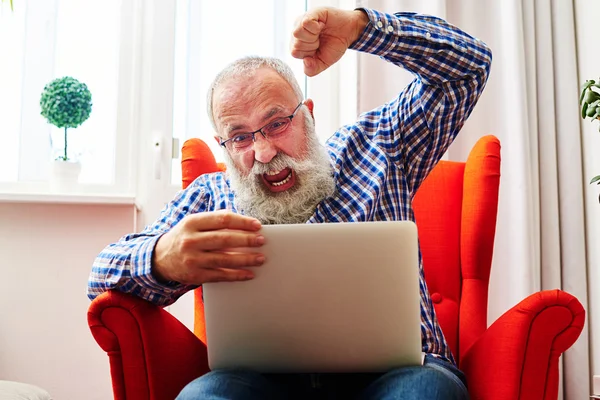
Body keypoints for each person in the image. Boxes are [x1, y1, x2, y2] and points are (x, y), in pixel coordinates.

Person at [88, 5, 491, 400]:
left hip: (399, 374)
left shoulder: (379, 145)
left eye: (277, 123)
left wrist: (362, 28)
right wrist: (162, 256)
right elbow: (100, 277)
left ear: (308, 115)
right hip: (260, 383)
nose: (264, 153)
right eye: (241, 137)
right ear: (223, 146)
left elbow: (469, 67)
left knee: (425, 391)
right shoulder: (211, 196)